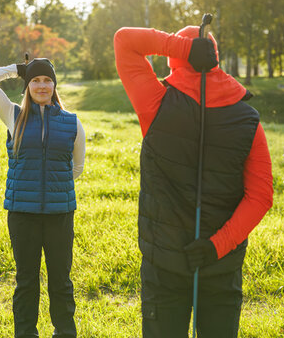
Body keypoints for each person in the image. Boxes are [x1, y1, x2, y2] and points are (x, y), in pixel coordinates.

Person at [114, 26, 273, 337]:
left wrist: (182, 48)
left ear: (176, 61)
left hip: (164, 262)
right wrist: (217, 247)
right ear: (215, 59)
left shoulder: (155, 102)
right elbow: (260, 197)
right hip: (221, 264)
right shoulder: (248, 118)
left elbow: (125, 40)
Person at [0, 57, 85, 338]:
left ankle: (65, 333)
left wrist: (50, 188)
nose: (41, 85)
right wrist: (16, 70)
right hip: (22, 215)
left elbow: (76, 169)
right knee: (26, 281)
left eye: (47, 80)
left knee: (61, 281)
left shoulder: (72, 123)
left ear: (54, 85)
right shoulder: (13, 115)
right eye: (35, 80)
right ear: (27, 86)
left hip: (59, 215)